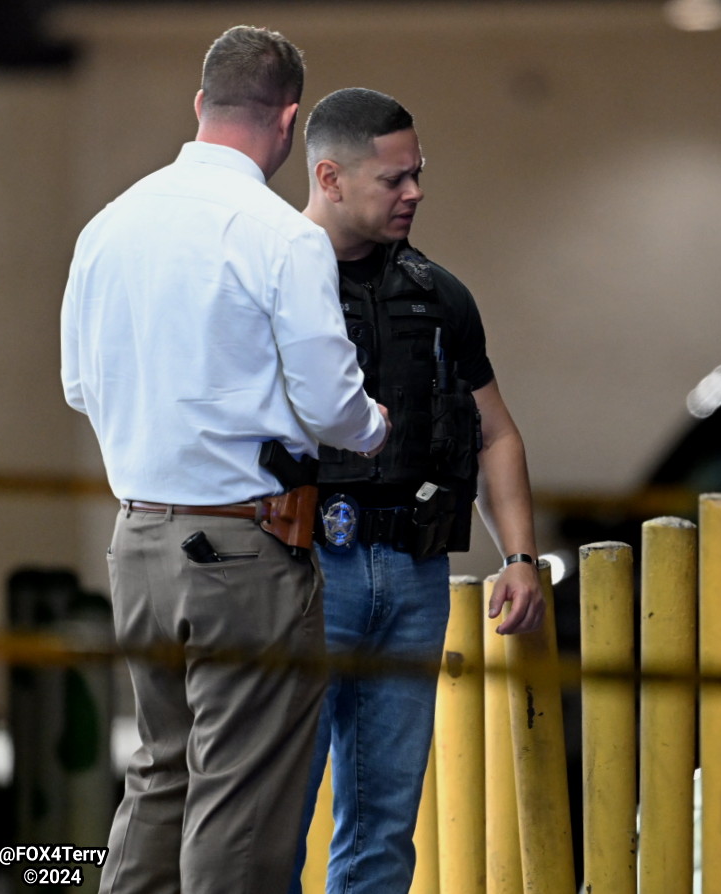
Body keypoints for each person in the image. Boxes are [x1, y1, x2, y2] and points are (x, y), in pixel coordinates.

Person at [60, 27, 389, 894]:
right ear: (287, 124)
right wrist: (375, 426)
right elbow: (330, 405)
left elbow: (79, 387)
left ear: (200, 105)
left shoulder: (107, 226)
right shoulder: (279, 237)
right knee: (238, 806)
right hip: (243, 554)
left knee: (160, 777)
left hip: (137, 545)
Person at [289, 87, 545, 894]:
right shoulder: (264, 278)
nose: (414, 193)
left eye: (417, 174)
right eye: (393, 180)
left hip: (411, 571)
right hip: (301, 569)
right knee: (272, 814)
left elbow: (495, 432)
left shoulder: (438, 295)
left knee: (383, 824)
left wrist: (521, 555)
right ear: (329, 178)